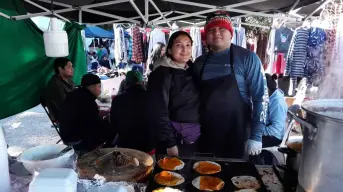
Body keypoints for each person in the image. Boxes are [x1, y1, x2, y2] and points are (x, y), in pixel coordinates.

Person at [193, 11, 268, 158]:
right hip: (206, 135)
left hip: (237, 135)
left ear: (231, 33)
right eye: (211, 30)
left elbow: (261, 97)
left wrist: (256, 136)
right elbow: (193, 98)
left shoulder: (248, 58)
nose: (217, 33)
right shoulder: (199, 62)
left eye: (222, 29)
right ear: (206, 35)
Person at [148, 31, 201, 157]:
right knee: (172, 174)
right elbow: (158, 110)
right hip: (174, 140)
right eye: (179, 45)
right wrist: (169, 143)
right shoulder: (162, 73)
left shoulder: (190, 70)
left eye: (188, 45)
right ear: (170, 50)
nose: (185, 49)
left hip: (191, 136)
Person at [59, 74, 116, 152]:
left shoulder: (74, 94)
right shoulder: (87, 101)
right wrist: (106, 120)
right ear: (92, 87)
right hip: (77, 139)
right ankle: (103, 151)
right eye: (99, 86)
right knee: (111, 127)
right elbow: (92, 126)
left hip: (65, 135)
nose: (100, 90)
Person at [110, 70, 154, 154]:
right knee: (148, 166)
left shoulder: (118, 100)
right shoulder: (153, 97)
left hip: (126, 146)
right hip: (148, 145)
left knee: (127, 167)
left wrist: (109, 143)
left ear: (125, 84)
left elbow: (113, 125)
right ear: (142, 83)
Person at [44, 57, 75, 122]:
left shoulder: (67, 78)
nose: (72, 69)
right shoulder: (55, 85)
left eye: (72, 66)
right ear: (60, 69)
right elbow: (64, 107)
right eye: (69, 67)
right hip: (64, 117)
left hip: (72, 110)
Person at [263, 74, 288, 147]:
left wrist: (257, 132)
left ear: (266, 89)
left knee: (245, 142)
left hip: (274, 137)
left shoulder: (277, 103)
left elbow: (275, 129)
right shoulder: (270, 96)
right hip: (267, 130)